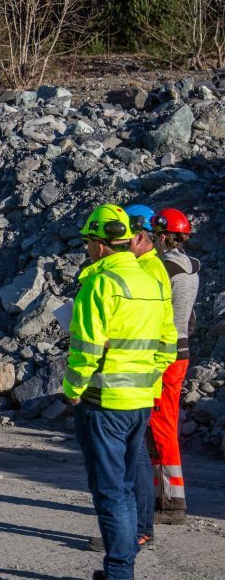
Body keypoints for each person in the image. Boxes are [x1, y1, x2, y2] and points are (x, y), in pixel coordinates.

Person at [64, 204, 174, 580]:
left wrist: (73, 389)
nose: (87, 249)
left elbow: (86, 348)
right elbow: (167, 345)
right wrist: (144, 375)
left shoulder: (100, 283)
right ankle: (122, 566)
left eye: (88, 242)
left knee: (110, 494)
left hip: (103, 402)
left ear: (100, 243)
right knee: (125, 489)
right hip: (140, 401)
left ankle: (118, 573)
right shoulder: (151, 281)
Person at [150, 207, 201, 525]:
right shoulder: (191, 269)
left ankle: (171, 503)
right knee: (163, 421)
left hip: (166, 355)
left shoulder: (165, 269)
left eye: (157, 235)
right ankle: (164, 495)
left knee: (160, 423)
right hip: (180, 351)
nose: (153, 240)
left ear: (166, 236)